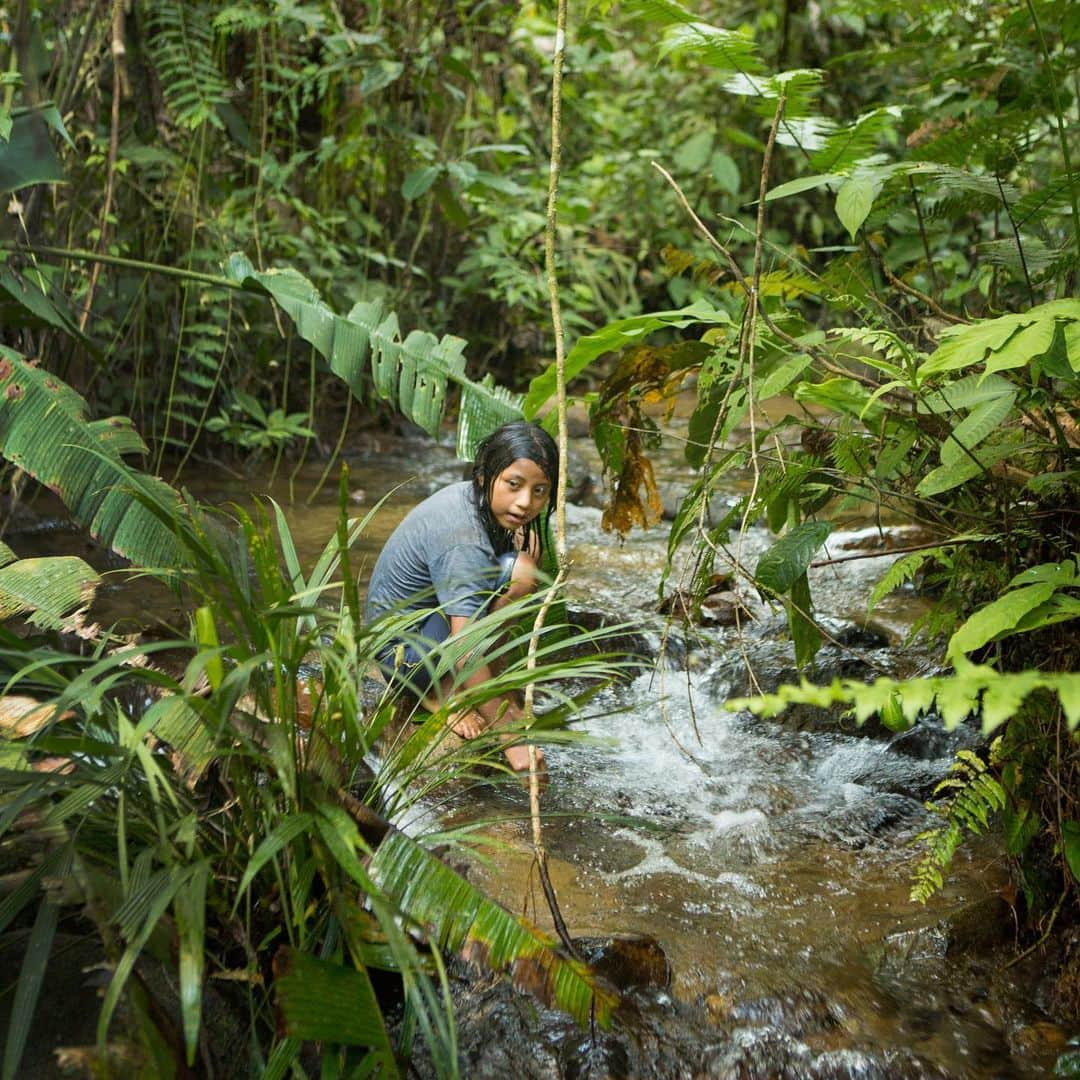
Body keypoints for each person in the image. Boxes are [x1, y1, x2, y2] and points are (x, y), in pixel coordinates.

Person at [364, 420, 558, 780]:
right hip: (404, 654)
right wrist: (511, 740)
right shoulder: (462, 535)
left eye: (539, 491)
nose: (525, 502)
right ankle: (444, 695)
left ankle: (481, 686)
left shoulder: (475, 500)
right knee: (519, 577)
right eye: (514, 485)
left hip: (424, 625)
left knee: (524, 564)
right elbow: (465, 644)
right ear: (486, 475)